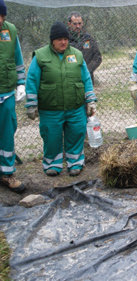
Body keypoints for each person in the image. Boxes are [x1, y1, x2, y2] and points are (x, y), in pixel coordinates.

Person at [25, 21, 97, 177]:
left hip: (75, 107)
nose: (63, 42)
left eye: (65, 38)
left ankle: (75, 163)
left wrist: (91, 100)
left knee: (76, 133)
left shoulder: (77, 55)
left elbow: (86, 79)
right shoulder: (40, 56)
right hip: (50, 109)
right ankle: (53, 164)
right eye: (59, 39)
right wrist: (31, 104)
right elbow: (31, 80)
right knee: (52, 137)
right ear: (52, 40)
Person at [0, 0, 26, 193]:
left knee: (7, 133)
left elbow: (17, 58)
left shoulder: (10, 30)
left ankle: (7, 173)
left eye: (1, 16)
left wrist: (21, 83)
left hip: (6, 92)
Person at [67, 11, 102, 84]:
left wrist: (87, 70)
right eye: (75, 24)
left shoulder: (88, 39)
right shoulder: (64, 40)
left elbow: (97, 57)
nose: (78, 26)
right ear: (69, 24)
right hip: (70, 79)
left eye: (80, 23)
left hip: (87, 79)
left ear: (82, 23)